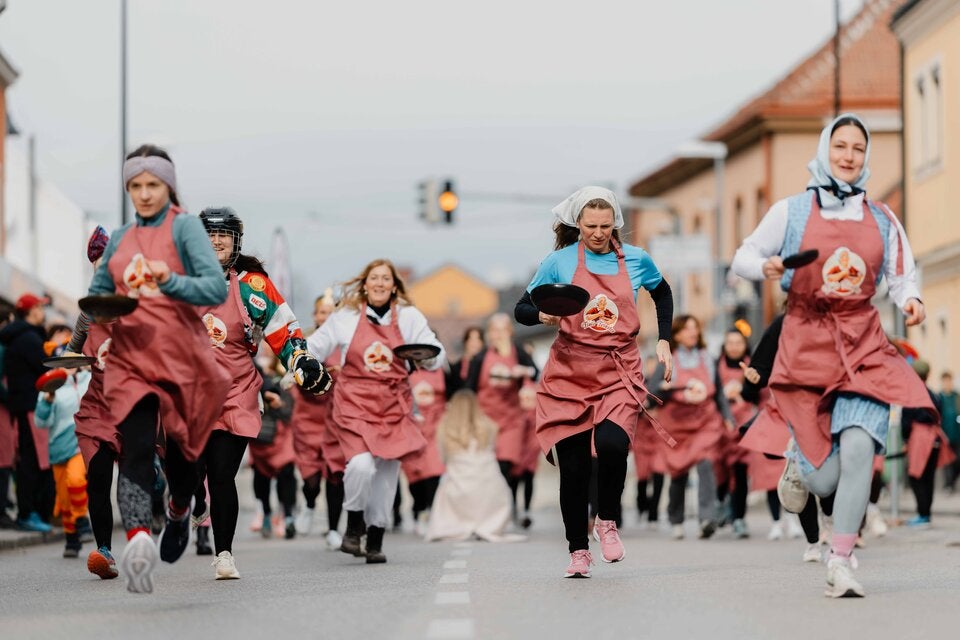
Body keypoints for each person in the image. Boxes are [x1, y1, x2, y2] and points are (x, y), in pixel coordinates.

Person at [732, 113, 935, 597]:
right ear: (826, 150)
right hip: (806, 342)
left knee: (863, 446)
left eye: (858, 149)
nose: (848, 156)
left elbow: (903, 271)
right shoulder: (792, 211)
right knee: (823, 481)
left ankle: (840, 559)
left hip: (863, 340)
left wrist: (911, 299)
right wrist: (766, 264)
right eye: (840, 146)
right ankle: (799, 458)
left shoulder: (882, 216)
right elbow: (743, 254)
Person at [85, 143, 232, 593]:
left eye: (152, 185)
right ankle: (138, 540)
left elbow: (212, 289)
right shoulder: (123, 237)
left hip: (182, 357)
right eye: (136, 186)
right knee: (135, 446)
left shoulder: (186, 228)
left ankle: (181, 506)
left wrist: (170, 281)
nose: (144, 194)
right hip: (131, 359)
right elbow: (97, 296)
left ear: (167, 185)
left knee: (186, 456)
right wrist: (106, 307)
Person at [514, 186, 674, 578]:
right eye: (590, 226)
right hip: (569, 373)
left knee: (612, 444)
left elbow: (663, 292)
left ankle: (607, 520)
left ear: (615, 222)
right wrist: (544, 318)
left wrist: (665, 341)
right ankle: (578, 550)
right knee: (574, 468)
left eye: (605, 225)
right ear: (577, 224)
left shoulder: (636, 259)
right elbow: (521, 308)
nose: (599, 233)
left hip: (618, 368)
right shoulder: (559, 261)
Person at [190, 206, 329, 578]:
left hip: (237, 390)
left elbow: (285, 331)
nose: (216, 241)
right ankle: (188, 497)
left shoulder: (253, 285)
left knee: (222, 474)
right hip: (190, 392)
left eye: (224, 234)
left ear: (236, 242)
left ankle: (223, 554)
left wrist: (302, 362)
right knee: (190, 468)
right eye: (209, 235)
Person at [307, 258, 445, 564]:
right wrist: (300, 362)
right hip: (354, 406)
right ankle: (354, 523)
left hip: (393, 407)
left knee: (385, 478)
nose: (380, 283)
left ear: (394, 286)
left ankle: (376, 538)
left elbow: (434, 351)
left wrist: (426, 359)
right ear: (365, 284)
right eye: (374, 278)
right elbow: (313, 346)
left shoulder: (408, 317)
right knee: (360, 467)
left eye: (386, 279)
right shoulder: (345, 317)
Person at [649, 315, 731, 540]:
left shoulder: (708, 358)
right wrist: (669, 388)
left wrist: (727, 416)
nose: (692, 333)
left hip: (704, 421)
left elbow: (720, 392)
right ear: (676, 334)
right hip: (677, 426)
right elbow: (651, 391)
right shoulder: (667, 360)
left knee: (706, 463)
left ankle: (707, 518)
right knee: (678, 471)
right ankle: (676, 518)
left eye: (695, 328)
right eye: (687, 329)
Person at [465, 313, 538, 520]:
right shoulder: (480, 358)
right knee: (489, 467)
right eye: (494, 330)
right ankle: (490, 510)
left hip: (512, 420)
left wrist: (521, 371)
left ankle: (506, 509)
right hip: (486, 420)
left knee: (507, 464)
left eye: (503, 330)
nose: (498, 335)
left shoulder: (519, 352)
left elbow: (536, 372)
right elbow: (469, 389)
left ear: (510, 332)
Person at [292, 289, 346, 550]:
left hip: (335, 418)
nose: (327, 317)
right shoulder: (305, 343)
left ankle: (334, 529)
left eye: (332, 313)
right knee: (312, 480)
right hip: (308, 418)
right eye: (323, 312)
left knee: (336, 474)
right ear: (315, 316)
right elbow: (290, 369)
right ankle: (310, 503)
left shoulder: (343, 342)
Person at [426, 390, 516, 542]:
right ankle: (486, 524)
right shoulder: (489, 427)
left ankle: (459, 524)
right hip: (490, 490)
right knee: (498, 485)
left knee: (447, 484)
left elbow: (443, 459)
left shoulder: (445, 429)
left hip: (459, 491)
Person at [0, 293, 56, 533]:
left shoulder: (19, 337)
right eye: (40, 309)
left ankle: (30, 511)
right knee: (31, 462)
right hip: (31, 407)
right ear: (32, 311)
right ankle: (27, 512)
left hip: (24, 406)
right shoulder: (29, 339)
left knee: (29, 460)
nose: (43, 313)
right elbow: (48, 367)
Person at [34, 365, 91, 558]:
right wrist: (48, 401)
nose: (69, 368)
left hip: (81, 442)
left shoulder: (89, 380)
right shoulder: (50, 387)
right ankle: (71, 539)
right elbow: (41, 422)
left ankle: (82, 520)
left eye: (72, 362)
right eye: (64, 364)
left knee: (75, 479)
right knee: (64, 498)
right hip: (58, 447)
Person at [249, 357, 300, 541]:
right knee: (261, 479)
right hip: (260, 436)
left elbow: (290, 409)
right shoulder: (252, 371)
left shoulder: (286, 376)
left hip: (281, 436)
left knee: (286, 476)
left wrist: (278, 404)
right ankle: (267, 514)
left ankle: (287, 516)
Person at [902, 359, 955, 528]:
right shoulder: (934, 394)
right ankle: (926, 514)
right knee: (929, 477)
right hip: (935, 437)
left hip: (920, 437)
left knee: (916, 476)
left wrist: (905, 439)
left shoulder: (913, 394)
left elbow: (906, 421)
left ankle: (922, 514)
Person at [403, 360, 447, 535]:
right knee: (415, 477)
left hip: (435, 428)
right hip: (411, 429)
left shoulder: (442, 371)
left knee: (435, 472)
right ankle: (419, 509)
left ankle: (430, 513)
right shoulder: (405, 370)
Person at [446, 326, 484, 396]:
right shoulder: (456, 367)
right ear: (465, 342)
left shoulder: (484, 366)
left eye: (477, 339)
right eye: (471, 339)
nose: (474, 343)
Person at [940, 371, 960, 493]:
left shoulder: (957, 397)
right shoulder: (940, 397)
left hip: (957, 435)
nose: (948, 384)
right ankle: (948, 484)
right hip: (944, 434)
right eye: (945, 381)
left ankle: (952, 481)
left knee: (957, 460)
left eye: (949, 381)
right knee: (946, 461)